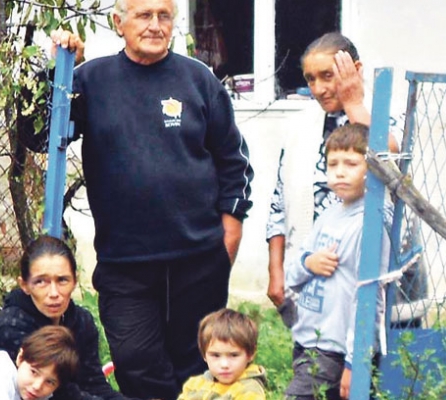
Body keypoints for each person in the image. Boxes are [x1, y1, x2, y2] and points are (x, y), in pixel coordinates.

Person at [46, 0, 255, 398]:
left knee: (198, 366)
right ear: (118, 22)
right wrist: (59, 72)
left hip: (198, 260)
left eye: (164, 16)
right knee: (134, 360)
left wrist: (229, 236)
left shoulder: (198, 79)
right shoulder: (91, 80)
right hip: (125, 263)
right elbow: (38, 134)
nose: (156, 25)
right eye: (144, 15)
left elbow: (234, 162)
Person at [267, 32, 425, 329]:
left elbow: (389, 156)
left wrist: (354, 104)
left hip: (383, 276)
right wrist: (276, 270)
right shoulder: (301, 126)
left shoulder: (388, 111)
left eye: (328, 76)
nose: (319, 88)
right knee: (320, 354)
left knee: (387, 356)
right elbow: (278, 202)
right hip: (321, 277)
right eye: (311, 79)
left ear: (355, 69)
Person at [0, 235, 126, 400]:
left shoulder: (81, 322)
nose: (53, 293)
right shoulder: (12, 326)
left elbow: (93, 384)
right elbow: (62, 394)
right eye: (40, 282)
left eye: (62, 280)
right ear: (24, 285)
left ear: (75, 281)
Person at [285, 123, 389, 400]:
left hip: (335, 350)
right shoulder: (329, 214)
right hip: (307, 341)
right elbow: (291, 276)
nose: (340, 172)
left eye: (351, 163)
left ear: (372, 169)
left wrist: (355, 363)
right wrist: (309, 263)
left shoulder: (369, 224)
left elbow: (369, 299)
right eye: (333, 164)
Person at [0, 325, 80, 400]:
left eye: (49, 382)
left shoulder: (39, 396)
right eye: (34, 372)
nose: (37, 386)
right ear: (20, 358)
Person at [177, 309, 267, 400]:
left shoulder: (249, 391)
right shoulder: (194, 385)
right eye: (215, 355)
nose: (224, 364)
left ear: (250, 354)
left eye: (234, 355)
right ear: (204, 354)